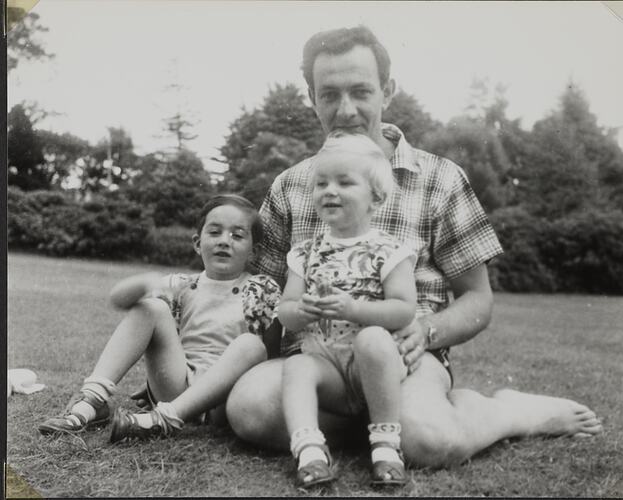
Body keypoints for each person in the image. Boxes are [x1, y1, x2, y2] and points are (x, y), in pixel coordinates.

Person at [225, 25, 602, 468]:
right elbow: (267, 297)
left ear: (388, 89)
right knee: (248, 409)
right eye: (329, 95)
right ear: (311, 99)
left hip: (406, 359)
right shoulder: (291, 185)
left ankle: (507, 410)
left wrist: (425, 331)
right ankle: (384, 432)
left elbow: (478, 299)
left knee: (431, 440)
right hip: (317, 364)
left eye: (361, 91)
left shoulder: (440, 178)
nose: (346, 110)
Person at [39, 194, 281, 442]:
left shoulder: (261, 289)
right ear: (198, 243)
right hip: (176, 386)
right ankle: (91, 400)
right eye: (215, 232)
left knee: (251, 344)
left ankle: (162, 420)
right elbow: (118, 300)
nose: (224, 241)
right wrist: (147, 282)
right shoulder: (181, 285)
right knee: (151, 307)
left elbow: (270, 353)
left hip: (226, 397)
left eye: (237, 236)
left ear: (254, 252)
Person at [279, 132, 416, 487]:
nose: (329, 190)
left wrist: (354, 308)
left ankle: (386, 446)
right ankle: (309, 449)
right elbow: (285, 312)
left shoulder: (389, 250)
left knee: (372, 339)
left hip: (372, 367)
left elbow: (403, 311)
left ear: (377, 197)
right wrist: (302, 309)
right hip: (327, 368)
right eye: (321, 183)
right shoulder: (304, 253)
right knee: (296, 365)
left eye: (344, 182)